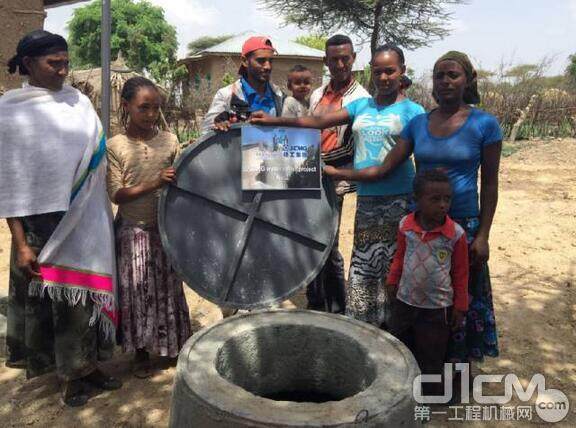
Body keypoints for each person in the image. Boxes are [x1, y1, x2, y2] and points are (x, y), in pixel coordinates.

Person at [326, 51, 502, 363]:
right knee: (421, 291)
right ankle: (422, 360)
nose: (445, 81)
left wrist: (484, 234)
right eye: (439, 76)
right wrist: (337, 172)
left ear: (468, 80)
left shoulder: (485, 124)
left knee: (461, 294)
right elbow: (383, 168)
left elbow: (489, 184)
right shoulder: (420, 123)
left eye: (453, 75)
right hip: (421, 224)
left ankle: (455, 366)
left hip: (463, 223)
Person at [251, 44, 425, 326]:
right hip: (368, 200)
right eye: (378, 72)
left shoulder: (414, 112)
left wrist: (337, 173)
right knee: (366, 267)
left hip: (399, 201)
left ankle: (395, 332)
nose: (383, 78)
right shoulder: (361, 106)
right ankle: (367, 328)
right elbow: (317, 121)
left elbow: (386, 169)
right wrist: (274, 121)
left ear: (402, 71)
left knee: (394, 269)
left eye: (390, 71)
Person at [0, 30, 121, 407]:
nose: (63, 70)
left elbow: (94, 158)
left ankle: (89, 365)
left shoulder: (78, 101)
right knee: (53, 305)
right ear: (29, 64)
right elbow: (9, 182)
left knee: (83, 299)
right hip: (39, 226)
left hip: (84, 216)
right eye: (55, 63)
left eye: (65, 62)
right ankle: (68, 375)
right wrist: (20, 243)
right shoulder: (10, 111)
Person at [107, 77, 192, 378]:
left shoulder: (169, 141)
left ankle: (171, 346)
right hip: (132, 231)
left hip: (165, 229)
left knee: (168, 289)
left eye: (156, 108)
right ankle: (141, 353)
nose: (151, 114)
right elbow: (117, 193)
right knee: (137, 292)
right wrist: (155, 183)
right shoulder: (115, 146)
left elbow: (184, 181)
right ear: (127, 106)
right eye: (144, 108)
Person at [386, 169, 468, 394]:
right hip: (404, 301)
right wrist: (392, 280)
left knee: (431, 355)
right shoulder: (405, 225)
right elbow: (400, 257)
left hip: (436, 308)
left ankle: (428, 400)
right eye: (435, 199)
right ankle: (398, 392)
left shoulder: (456, 235)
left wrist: (460, 306)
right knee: (400, 347)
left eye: (447, 199)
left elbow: (461, 274)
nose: (443, 205)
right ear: (417, 200)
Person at [305, 34, 370, 314]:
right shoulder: (317, 95)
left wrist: (331, 169)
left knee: (328, 242)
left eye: (345, 58)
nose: (340, 64)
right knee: (309, 237)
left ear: (354, 58)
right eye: (334, 59)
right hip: (310, 177)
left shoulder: (362, 98)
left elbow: (356, 146)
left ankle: (335, 306)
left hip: (338, 178)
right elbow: (308, 131)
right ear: (326, 62)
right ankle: (315, 299)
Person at [201, 36, 285, 135]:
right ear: (245, 61)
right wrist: (220, 124)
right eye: (261, 61)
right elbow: (207, 135)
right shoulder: (226, 95)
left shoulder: (278, 96)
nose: (268, 66)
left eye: (270, 61)